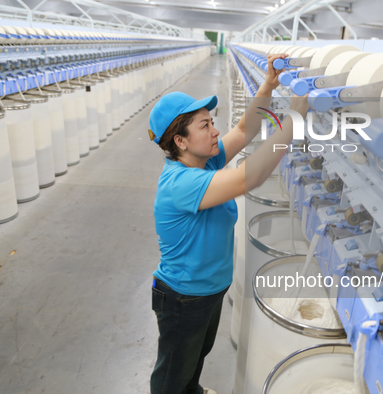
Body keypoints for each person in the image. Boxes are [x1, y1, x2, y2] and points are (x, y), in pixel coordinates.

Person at [148, 53, 309, 394]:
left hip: (208, 290)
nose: (214, 130)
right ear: (180, 141)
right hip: (183, 296)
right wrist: (294, 117)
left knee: (195, 357)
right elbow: (252, 176)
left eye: (211, 121)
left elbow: (242, 130)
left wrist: (269, 84)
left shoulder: (203, 162)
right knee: (172, 375)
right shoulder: (181, 184)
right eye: (204, 126)